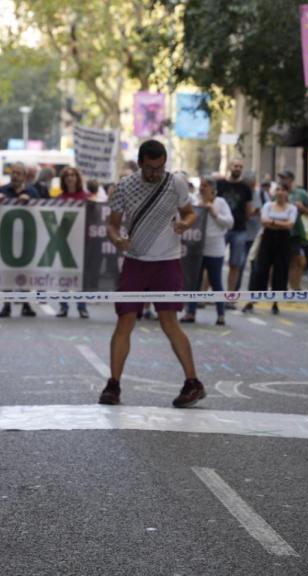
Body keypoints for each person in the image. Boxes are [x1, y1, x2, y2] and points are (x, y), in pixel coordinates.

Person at [99, 139, 204, 409]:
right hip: (135, 261)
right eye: (150, 168)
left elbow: (191, 213)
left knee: (170, 321)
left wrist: (184, 223)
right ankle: (113, 384)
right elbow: (112, 225)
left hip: (167, 262)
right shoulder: (124, 186)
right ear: (140, 163)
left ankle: (193, 382)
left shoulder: (176, 183)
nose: (156, 173)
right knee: (125, 320)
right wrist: (117, 239)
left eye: (160, 167)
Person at [181, 175, 233, 326]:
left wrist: (214, 213)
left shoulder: (220, 203)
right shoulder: (195, 202)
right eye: (201, 185)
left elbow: (230, 223)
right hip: (196, 248)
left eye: (205, 185)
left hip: (215, 248)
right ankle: (190, 312)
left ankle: (221, 314)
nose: (202, 188)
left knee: (216, 281)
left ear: (212, 188)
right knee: (194, 281)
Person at [243, 183, 298, 316]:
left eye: (283, 190)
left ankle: (275, 303)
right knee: (260, 269)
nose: (280, 192)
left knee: (280, 270)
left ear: (287, 193)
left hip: (283, 241)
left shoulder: (292, 208)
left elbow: (290, 225)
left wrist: (273, 222)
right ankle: (252, 300)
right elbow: (264, 221)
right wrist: (280, 224)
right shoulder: (268, 205)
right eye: (278, 189)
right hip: (267, 239)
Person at [0, 162, 39, 318]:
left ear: (24, 176)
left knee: (26, 272)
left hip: (27, 238)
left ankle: (26, 304)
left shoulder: (32, 191)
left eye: (18, 173)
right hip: (6, 237)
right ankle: (6, 305)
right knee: (7, 273)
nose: (15, 175)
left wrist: (30, 200)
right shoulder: (1, 191)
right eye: (13, 172)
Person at [55, 166, 91, 318]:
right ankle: (63, 306)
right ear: (63, 180)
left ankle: (82, 306)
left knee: (81, 277)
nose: (70, 178)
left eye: (73, 175)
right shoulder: (59, 199)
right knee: (63, 276)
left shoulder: (87, 198)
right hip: (64, 242)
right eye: (67, 176)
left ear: (77, 178)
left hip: (82, 242)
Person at [215, 160, 253, 293]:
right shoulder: (219, 184)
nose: (238, 168)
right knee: (214, 262)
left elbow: (249, 210)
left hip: (239, 230)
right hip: (221, 228)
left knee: (235, 264)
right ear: (229, 167)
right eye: (236, 166)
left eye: (240, 166)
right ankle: (206, 294)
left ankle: (230, 296)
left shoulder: (246, 188)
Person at [277, 170, 308, 291]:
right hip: (278, 231)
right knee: (279, 261)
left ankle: (293, 287)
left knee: (296, 260)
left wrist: (302, 208)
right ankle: (279, 287)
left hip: (295, 232)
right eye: (281, 178)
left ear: (291, 180)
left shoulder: (300, 193)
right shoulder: (277, 193)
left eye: (285, 178)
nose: (282, 181)